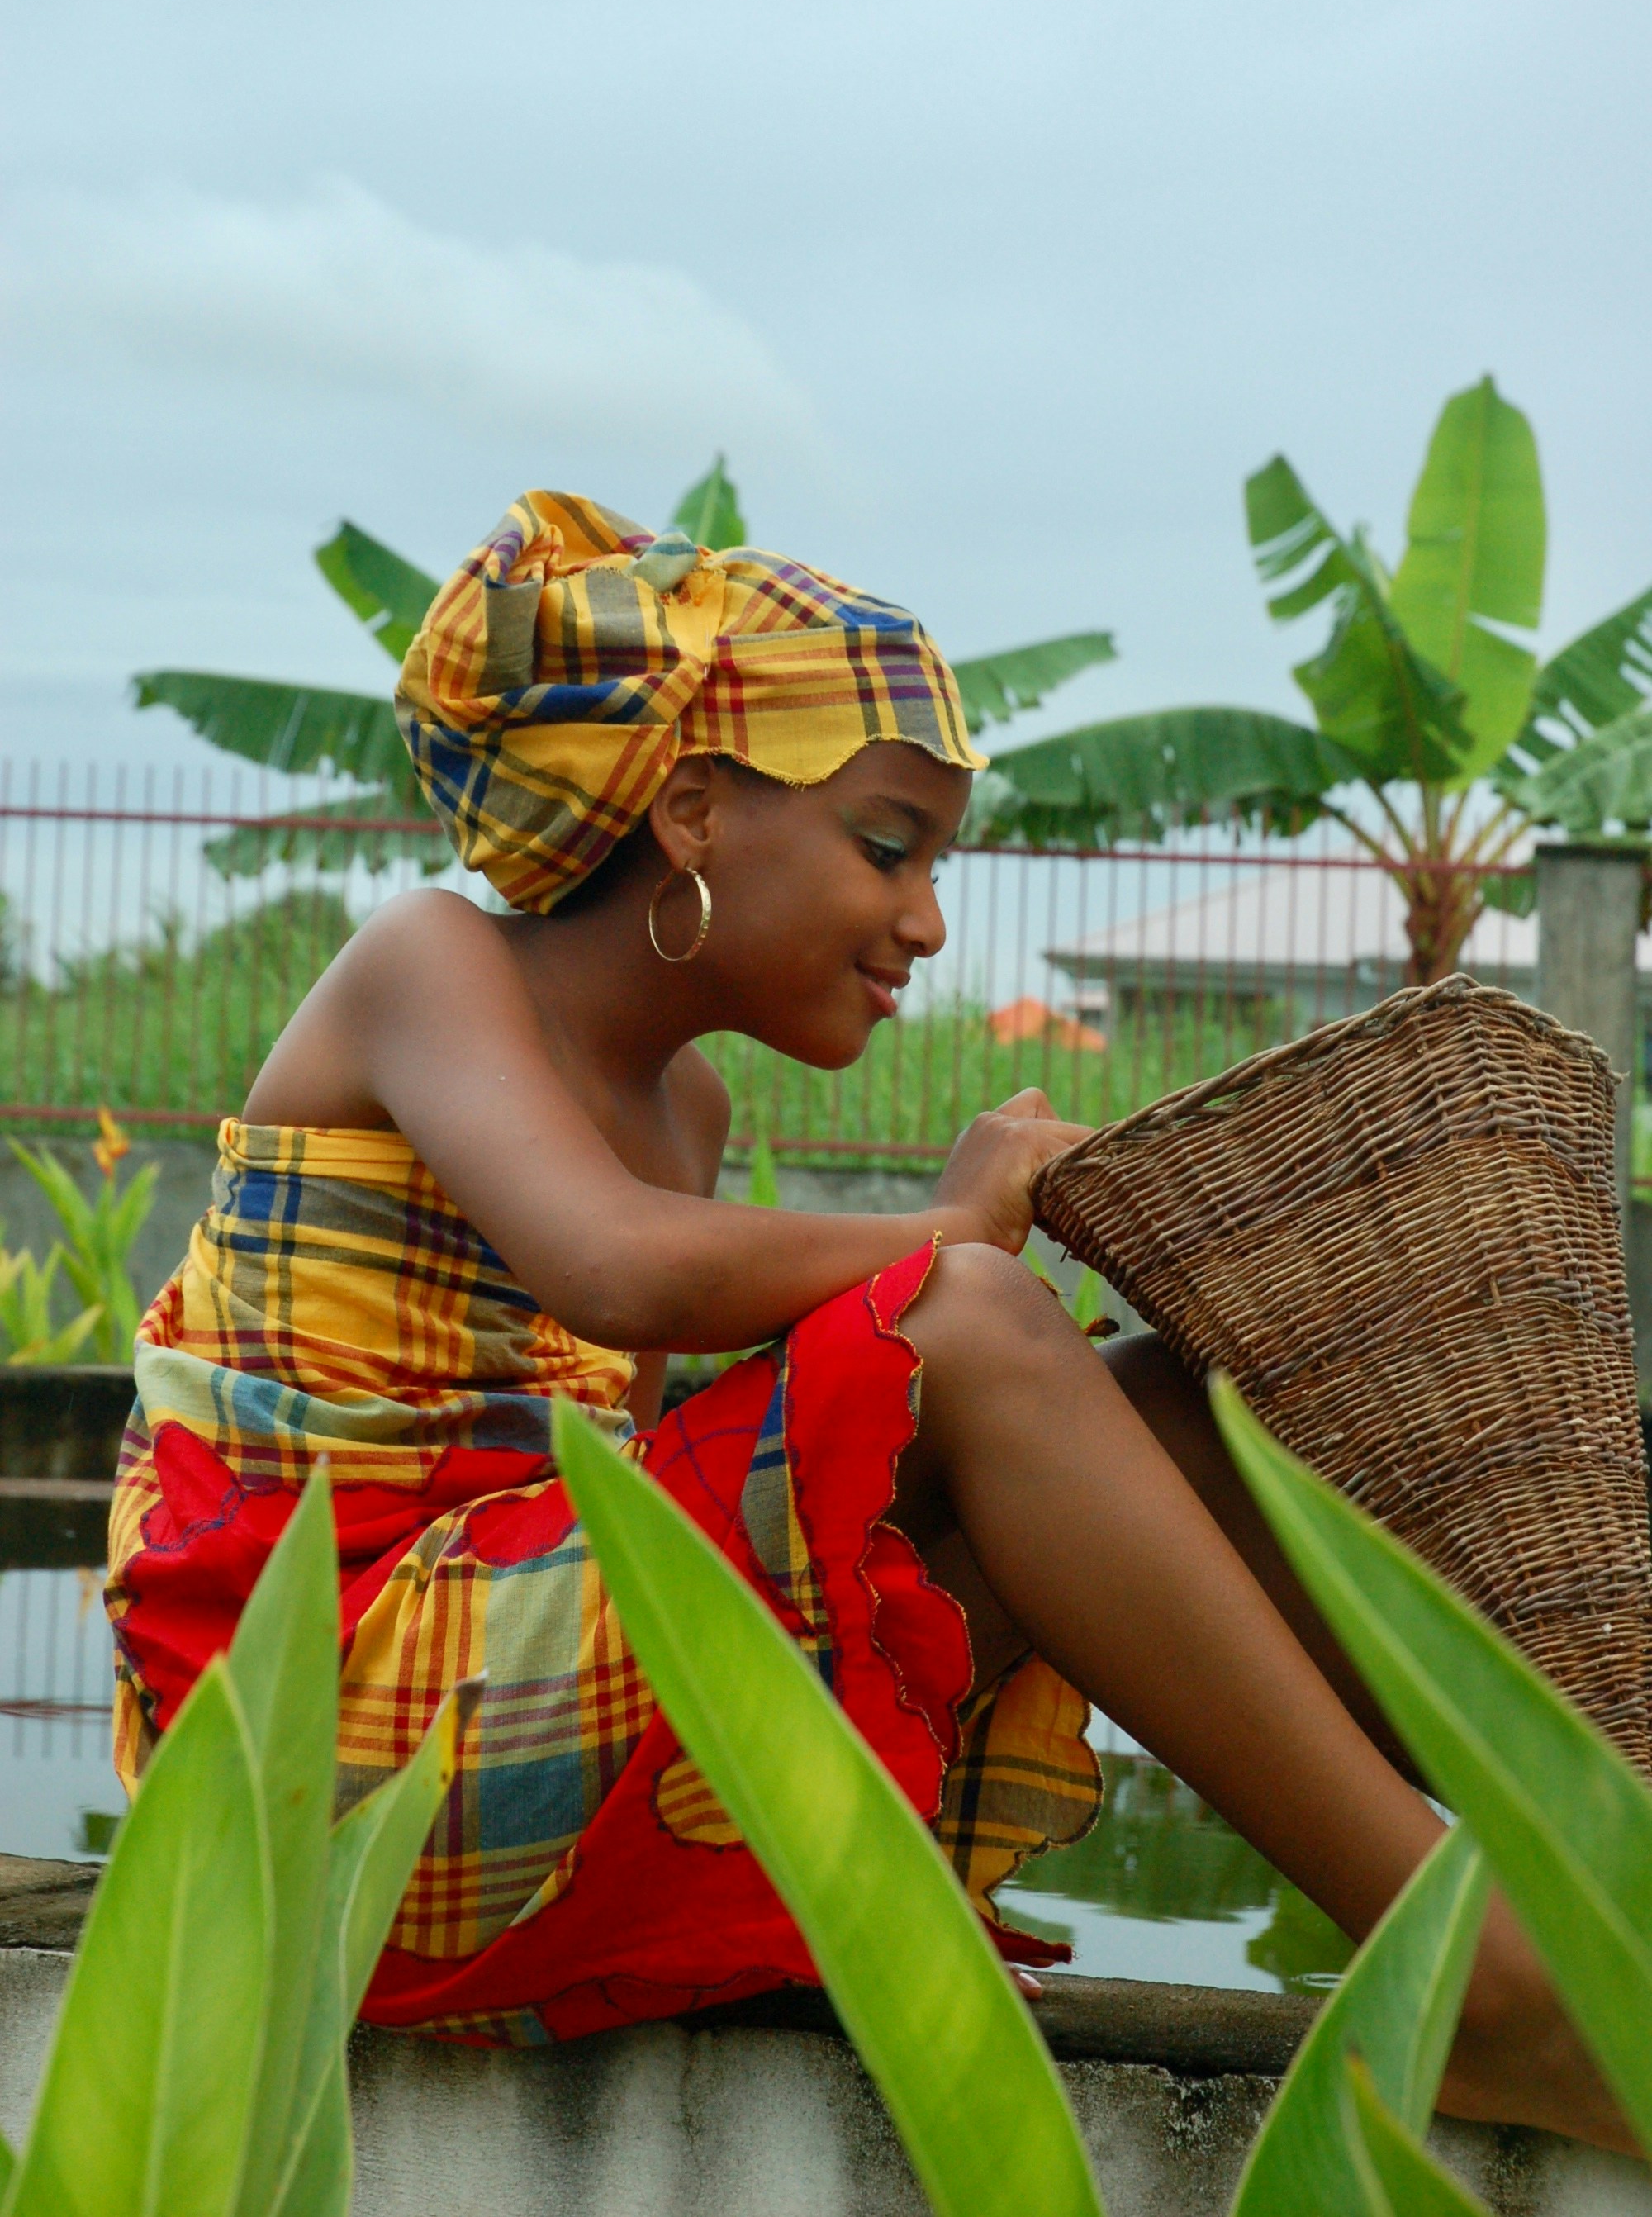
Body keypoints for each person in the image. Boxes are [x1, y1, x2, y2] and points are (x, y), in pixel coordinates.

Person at [107, 491, 1631, 2151]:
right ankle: (1488, 1994)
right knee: (964, 1325)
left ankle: (1600, 1887)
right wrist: (951, 1227)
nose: (922, 922)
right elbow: (615, 1266)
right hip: (322, 1754)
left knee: (1181, 1420)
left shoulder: (681, 1106)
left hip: (525, 1718)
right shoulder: (431, 963)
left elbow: (689, 1486)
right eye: (887, 845)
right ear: (690, 809)